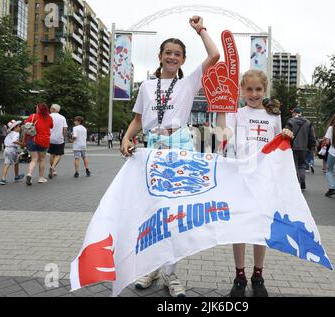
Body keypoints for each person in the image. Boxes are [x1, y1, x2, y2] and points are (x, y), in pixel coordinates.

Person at [120, 16, 220, 298]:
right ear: (160, 56)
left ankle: (171, 274)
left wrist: (200, 30)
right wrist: (127, 137)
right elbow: (139, 120)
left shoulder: (189, 82)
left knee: (174, 213)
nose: (172, 57)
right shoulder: (146, 86)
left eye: (178, 54)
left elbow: (215, 55)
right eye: (168, 53)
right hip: (152, 147)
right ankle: (152, 268)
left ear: (183, 59)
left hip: (180, 146)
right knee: (152, 211)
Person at [217, 70, 292, 297]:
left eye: (258, 89)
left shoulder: (274, 116)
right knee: (240, 228)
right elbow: (223, 135)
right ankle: (239, 276)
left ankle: (257, 275)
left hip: (264, 180)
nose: (254, 93)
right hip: (240, 178)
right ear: (241, 90)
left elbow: (279, 144)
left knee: (261, 229)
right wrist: (221, 110)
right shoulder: (236, 114)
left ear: (264, 90)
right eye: (249, 89)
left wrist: (287, 133)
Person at [285, 107, 316, 190]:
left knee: (294, 165)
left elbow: (286, 134)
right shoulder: (308, 123)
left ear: (295, 113)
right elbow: (312, 136)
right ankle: (302, 182)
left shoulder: (290, 121)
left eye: (292, 112)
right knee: (302, 165)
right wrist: (311, 147)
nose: (292, 114)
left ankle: (295, 184)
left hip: (292, 148)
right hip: (304, 148)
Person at [24, 103, 53, 186]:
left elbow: (26, 127)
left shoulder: (32, 116)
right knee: (42, 159)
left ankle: (29, 174)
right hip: (44, 141)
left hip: (32, 139)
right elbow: (51, 126)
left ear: (38, 109)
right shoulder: (49, 118)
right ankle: (40, 178)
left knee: (34, 159)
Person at [0, 120, 25, 185]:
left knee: (8, 164)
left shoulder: (9, 133)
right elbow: (14, 141)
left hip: (6, 149)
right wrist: (22, 144)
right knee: (16, 162)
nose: (20, 127)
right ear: (15, 127)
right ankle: (16, 176)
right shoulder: (16, 133)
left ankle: (3, 179)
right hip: (12, 150)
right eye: (19, 126)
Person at [48, 104, 68, 179]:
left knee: (52, 154)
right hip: (59, 138)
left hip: (50, 138)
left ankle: (53, 169)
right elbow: (65, 129)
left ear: (53, 109)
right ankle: (53, 167)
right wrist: (64, 136)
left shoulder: (48, 116)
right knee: (59, 154)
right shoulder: (62, 117)